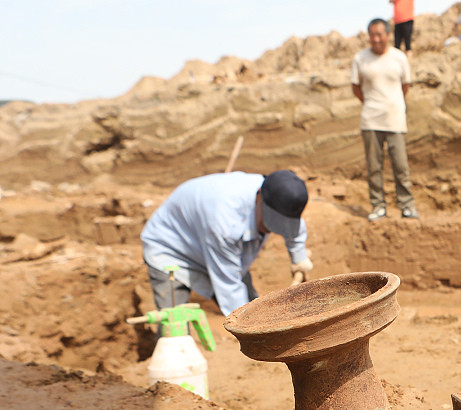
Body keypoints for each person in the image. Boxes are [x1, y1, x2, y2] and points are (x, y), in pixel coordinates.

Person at [140, 170, 312, 316]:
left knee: (256, 309)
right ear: (259, 196)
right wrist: (249, 327)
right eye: (270, 222)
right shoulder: (225, 220)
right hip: (172, 249)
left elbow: (295, 231)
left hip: (216, 246)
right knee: (175, 326)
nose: (272, 229)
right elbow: (229, 286)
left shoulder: (280, 197)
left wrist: (299, 260)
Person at [351, 18, 419, 221]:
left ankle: (406, 205)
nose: (376, 39)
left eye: (380, 34)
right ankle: (378, 205)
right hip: (370, 120)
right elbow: (356, 87)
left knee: (401, 166)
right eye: (372, 35)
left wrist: (394, 104)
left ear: (388, 35)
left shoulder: (399, 58)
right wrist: (371, 103)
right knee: (374, 167)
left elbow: (405, 85)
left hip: (395, 120)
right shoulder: (360, 58)